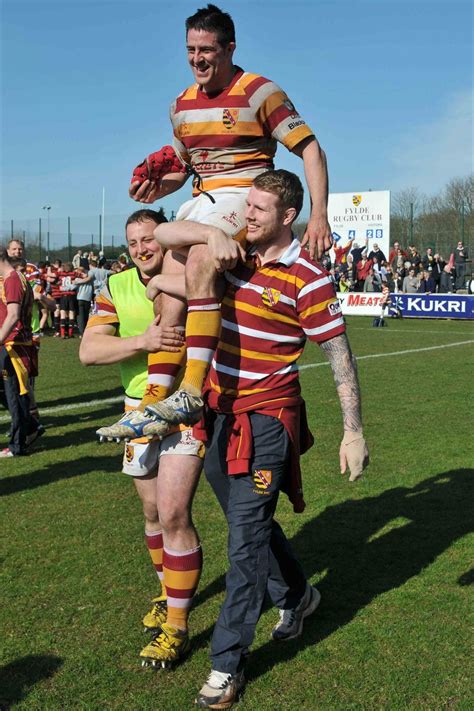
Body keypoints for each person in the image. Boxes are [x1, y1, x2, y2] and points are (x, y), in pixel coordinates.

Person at [165, 170, 367, 709]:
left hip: (266, 422)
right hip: (219, 414)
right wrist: (207, 234)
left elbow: (340, 358)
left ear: (286, 217)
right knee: (246, 523)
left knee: (245, 542)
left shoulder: (307, 277)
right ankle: (299, 596)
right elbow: (159, 239)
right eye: (246, 205)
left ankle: (226, 666)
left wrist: (353, 431)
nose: (246, 215)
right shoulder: (234, 253)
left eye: (257, 209)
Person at [99, 3, 333, 441]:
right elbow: (186, 167)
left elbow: (310, 149)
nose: (197, 59)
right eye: (190, 50)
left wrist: (319, 215)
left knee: (204, 256)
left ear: (229, 48)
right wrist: (154, 188)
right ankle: (154, 400)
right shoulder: (180, 107)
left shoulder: (260, 91)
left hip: (244, 194)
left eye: (206, 49)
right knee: (168, 286)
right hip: (201, 200)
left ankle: (190, 390)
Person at [80, 209, 204, 668]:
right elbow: (89, 351)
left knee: (174, 512)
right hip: (136, 411)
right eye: (133, 242)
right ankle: (167, 591)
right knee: (152, 512)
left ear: (165, 238)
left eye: (148, 238)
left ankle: (177, 625)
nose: (141, 249)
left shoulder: (190, 272)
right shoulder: (116, 287)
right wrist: (142, 341)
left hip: (183, 409)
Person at [0, 248, 40, 457]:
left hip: (13, 346)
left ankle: (18, 444)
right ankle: (31, 426)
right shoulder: (12, 278)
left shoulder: (12, 279)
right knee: (7, 393)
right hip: (11, 344)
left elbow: (13, 314)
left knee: (14, 395)